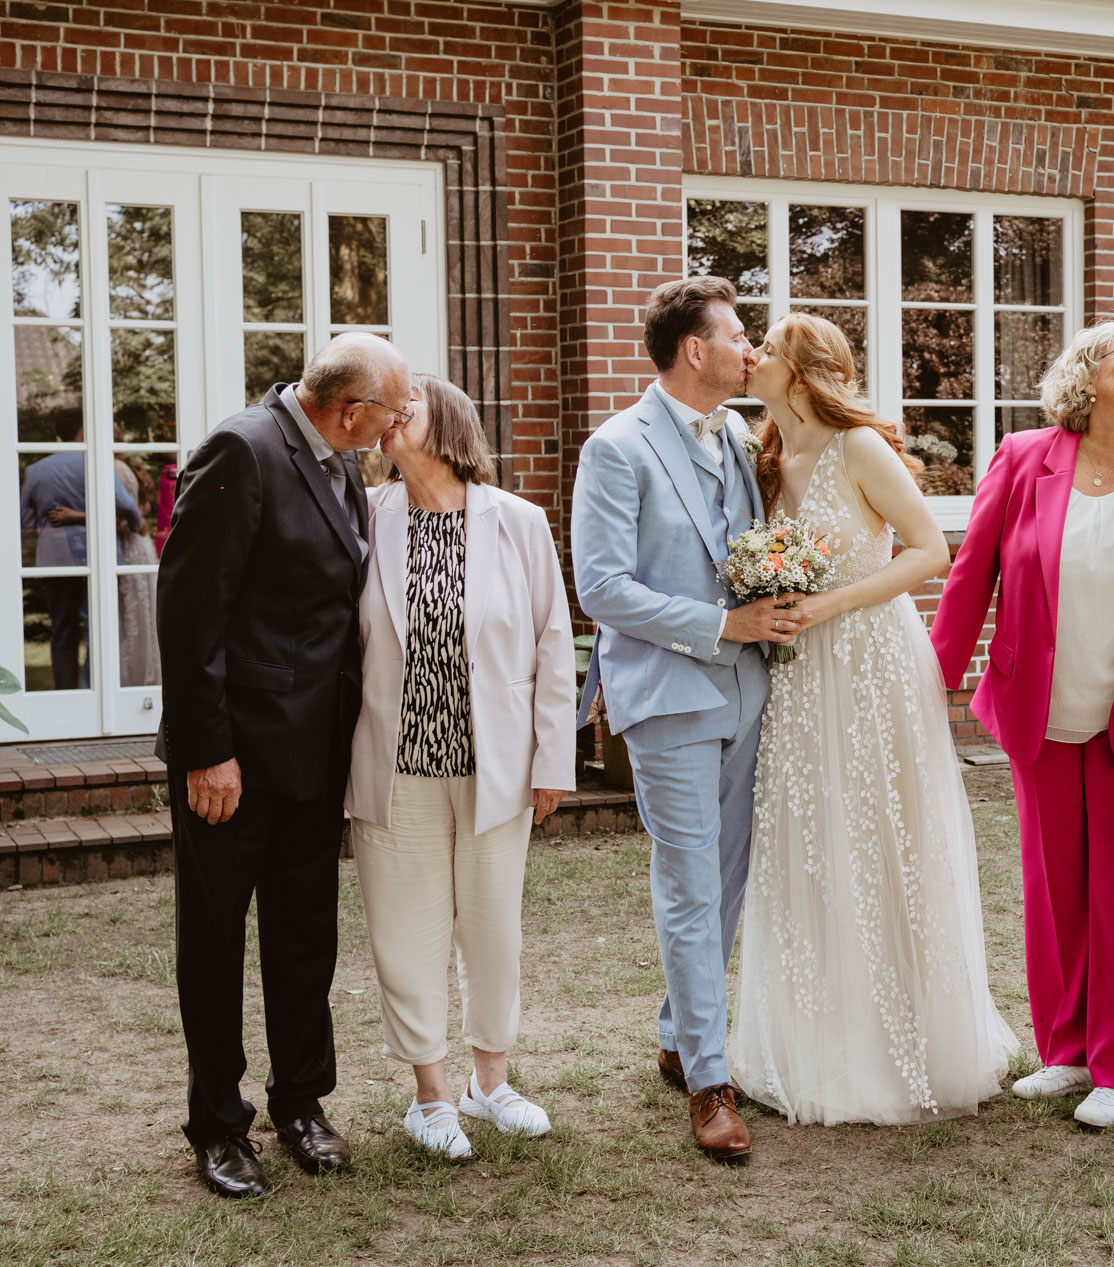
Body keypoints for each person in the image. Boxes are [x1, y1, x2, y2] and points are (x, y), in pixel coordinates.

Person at [729, 312, 1016, 1125]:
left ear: (803, 370)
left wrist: (826, 604)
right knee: (810, 842)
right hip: (801, 672)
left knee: (884, 841)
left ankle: (907, 1039)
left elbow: (931, 550)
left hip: (872, 663)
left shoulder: (860, 449)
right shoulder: (769, 458)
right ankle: (819, 1033)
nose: (751, 357)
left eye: (768, 350)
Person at [156, 332, 408, 1199]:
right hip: (233, 762)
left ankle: (301, 1103)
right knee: (218, 942)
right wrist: (206, 752)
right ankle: (219, 1126)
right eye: (393, 411)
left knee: (305, 938)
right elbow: (190, 615)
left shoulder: (341, 465)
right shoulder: (242, 449)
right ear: (350, 409)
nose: (397, 425)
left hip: (314, 757)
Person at [930, 320, 1114, 1129]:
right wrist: (933, 681)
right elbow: (971, 576)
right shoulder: (1023, 455)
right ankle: (1067, 1050)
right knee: (1051, 885)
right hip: (1038, 707)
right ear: (1084, 375)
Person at [570, 277, 796, 1164]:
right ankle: (709, 1078)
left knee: (729, 877)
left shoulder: (736, 434)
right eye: (737, 336)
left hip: (749, 687)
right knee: (691, 885)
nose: (750, 350)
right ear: (693, 351)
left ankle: (676, 1030)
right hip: (667, 695)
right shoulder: (616, 448)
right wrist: (719, 624)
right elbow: (602, 587)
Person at [344, 374, 575, 1160]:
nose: (385, 420)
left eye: (402, 409)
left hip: (496, 765)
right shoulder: (366, 519)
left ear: (448, 425)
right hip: (395, 763)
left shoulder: (518, 521)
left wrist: (554, 761)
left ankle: (490, 1083)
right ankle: (431, 1096)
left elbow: (552, 643)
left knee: (492, 928)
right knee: (405, 933)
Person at [18, 428, 142, 690]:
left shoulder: (36, 470)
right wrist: (135, 528)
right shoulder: (95, 463)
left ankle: (65, 692)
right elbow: (128, 507)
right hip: (98, 553)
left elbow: (25, 520)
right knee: (97, 624)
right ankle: (91, 689)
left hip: (54, 555)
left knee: (62, 627)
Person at [113, 457, 161, 688]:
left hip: (128, 541)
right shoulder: (129, 469)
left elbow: (128, 509)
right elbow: (145, 507)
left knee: (130, 611)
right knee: (143, 610)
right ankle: (145, 672)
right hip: (141, 543)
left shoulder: (112, 467)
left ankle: (133, 677)